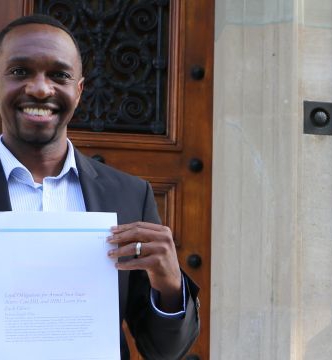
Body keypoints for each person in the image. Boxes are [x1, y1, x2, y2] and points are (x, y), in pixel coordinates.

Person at [0, 14, 199, 360]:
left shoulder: (129, 195)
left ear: (78, 92)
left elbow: (165, 351)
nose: (40, 88)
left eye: (59, 75)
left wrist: (169, 286)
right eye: (20, 72)